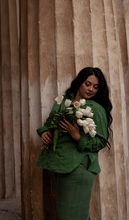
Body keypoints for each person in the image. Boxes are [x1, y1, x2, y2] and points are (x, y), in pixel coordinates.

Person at [36, 67, 112, 220]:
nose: (91, 89)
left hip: (79, 167)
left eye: (95, 87)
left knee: (70, 216)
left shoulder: (96, 109)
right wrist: (44, 132)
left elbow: (101, 141)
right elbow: (50, 124)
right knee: (75, 215)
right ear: (79, 82)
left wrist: (78, 136)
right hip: (60, 165)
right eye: (88, 84)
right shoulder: (63, 101)